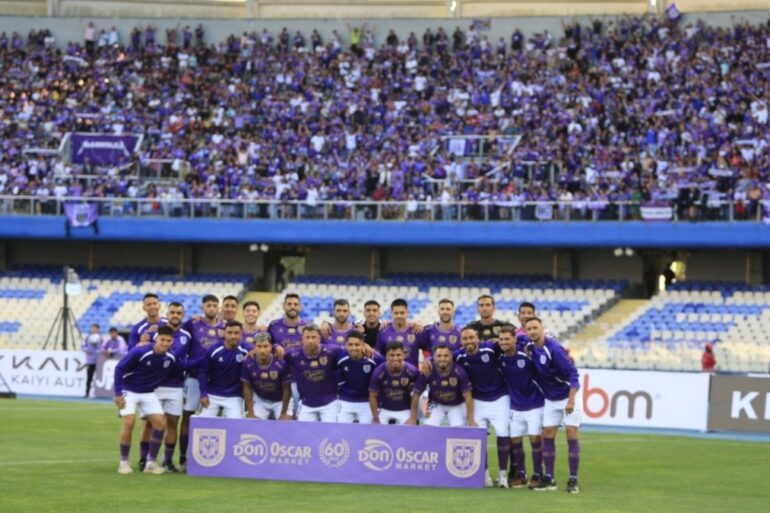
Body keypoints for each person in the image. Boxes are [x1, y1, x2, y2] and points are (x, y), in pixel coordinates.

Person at [525, 317, 581, 494]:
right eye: (529, 329)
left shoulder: (554, 349)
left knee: (571, 434)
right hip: (550, 400)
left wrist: (571, 401)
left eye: (535, 328)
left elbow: (573, 374)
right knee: (547, 435)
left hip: (566, 397)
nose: (532, 331)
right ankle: (549, 478)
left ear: (542, 328)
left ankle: (573, 480)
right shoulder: (531, 347)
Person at [113, 325, 176, 475]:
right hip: (129, 389)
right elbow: (119, 368)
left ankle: (151, 463)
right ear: (156, 338)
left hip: (148, 393)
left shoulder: (170, 358)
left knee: (160, 424)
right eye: (162, 340)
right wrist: (118, 393)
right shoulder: (140, 350)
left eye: (168, 341)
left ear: (172, 342)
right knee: (129, 422)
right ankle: (124, 463)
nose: (165, 343)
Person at [455, 327, 511, 487]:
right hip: (477, 401)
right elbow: (440, 358)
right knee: (478, 438)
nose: (468, 341)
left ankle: (503, 475)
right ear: (461, 341)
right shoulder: (458, 355)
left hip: (499, 398)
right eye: (465, 338)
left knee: (503, 434)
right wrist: (428, 363)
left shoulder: (491, 348)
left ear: (478, 338)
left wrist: (500, 341)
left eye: (471, 337)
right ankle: (484, 475)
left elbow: (510, 344)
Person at [179, 294, 223, 470]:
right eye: (208, 305)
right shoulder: (192, 324)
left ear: (218, 308)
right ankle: (183, 458)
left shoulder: (225, 327)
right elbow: (177, 335)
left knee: (215, 418)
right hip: (193, 378)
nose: (211, 308)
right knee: (188, 416)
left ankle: (211, 459)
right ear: (202, 307)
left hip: (215, 380)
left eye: (214, 305)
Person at [498, 325, 544, 489]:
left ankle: (538, 475)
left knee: (535, 440)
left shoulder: (526, 357)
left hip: (534, 404)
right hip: (515, 407)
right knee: (515, 441)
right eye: (501, 339)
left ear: (514, 339)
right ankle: (521, 475)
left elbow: (541, 374)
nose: (504, 342)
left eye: (507, 339)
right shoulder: (501, 359)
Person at [127, 293, 166, 472]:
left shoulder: (167, 324)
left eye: (154, 303)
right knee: (147, 422)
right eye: (148, 304)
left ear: (159, 305)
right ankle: (144, 459)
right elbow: (130, 352)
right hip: (147, 381)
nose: (152, 306)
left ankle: (158, 459)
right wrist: (139, 344)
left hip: (165, 377)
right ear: (144, 308)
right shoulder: (138, 328)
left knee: (164, 422)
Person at [154, 302, 191, 472]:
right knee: (151, 424)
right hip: (155, 384)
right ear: (167, 314)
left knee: (172, 424)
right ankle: (147, 459)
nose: (175, 315)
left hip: (176, 385)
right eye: (172, 312)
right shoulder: (156, 332)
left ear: (183, 315)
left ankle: (167, 460)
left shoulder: (187, 335)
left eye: (178, 313)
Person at [283, 324, 344, 422]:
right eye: (307, 337)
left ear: (319, 339)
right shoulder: (292, 355)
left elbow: (350, 353)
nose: (310, 340)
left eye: (313, 337)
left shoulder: (333, 351)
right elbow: (274, 355)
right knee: (303, 432)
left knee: (331, 431)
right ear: (302, 339)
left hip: (330, 403)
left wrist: (366, 346)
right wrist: (275, 346)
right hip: (306, 404)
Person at [410, 343, 475, 427]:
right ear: (434, 357)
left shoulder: (460, 372)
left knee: (458, 429)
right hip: (436, 404)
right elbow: (416, 394)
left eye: (446, 356)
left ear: (451, 356)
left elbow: (468, 396)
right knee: (428, 428)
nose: (442, 359)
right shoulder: (428, 369)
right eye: (439, 356)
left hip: (457, 404)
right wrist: (413, 418)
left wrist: (471, 419)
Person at [199, 320, 252, 419]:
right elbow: (203, 372)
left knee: (236, 424)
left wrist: (275, 346)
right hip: (213, 394)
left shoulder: (246, 349)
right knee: (203, 423)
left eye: (236, 333)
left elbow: (261, 348)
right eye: (229, 333)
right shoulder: (213, 350)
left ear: (242, 334)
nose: (233, 336)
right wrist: (203, 394)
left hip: (234, 396)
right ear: (224, 334)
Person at [242, 333, 292, 420]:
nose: (262, 350)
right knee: (251, 422)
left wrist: (283, 413)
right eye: (259, 346)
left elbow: (287, 389)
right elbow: (247, 387)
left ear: (271, 347)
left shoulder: (281, 363)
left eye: (266, 346)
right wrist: (251, 412)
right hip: (261, 400)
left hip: (280, 401)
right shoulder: (247, 363)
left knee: (286, 423)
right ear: (254, 347)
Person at [337, 332, 383, 423]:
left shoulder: (375, 359)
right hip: (345, 401)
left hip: (366, 403)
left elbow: (386, 365)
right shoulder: (340, 356)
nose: (353, 348)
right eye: (350, 345)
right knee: (342, 430)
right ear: (346, 345)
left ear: (363, 345)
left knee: (366, 430)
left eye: (357, 345)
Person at [369, 341, 419, 425]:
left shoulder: (413, 371)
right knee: (376, 430)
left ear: (403, 355)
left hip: (405, 409)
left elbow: (418, 394)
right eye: (392, 355)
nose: (395, 358)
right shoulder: (378, 372)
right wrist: (376, 418)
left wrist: (413, 418)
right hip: (384, 409)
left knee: (410, 431)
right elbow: (372, 396)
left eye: (398, 355)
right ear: (386, 356)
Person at [376, 299, 421, 367]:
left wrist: (427, 360)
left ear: (407, 312)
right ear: (391, 313)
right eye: (396, 313)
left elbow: (429, 349)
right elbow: (377, 355)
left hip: (412, 372)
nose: (399, 316)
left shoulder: (416, 330)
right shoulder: (383, 331)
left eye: (402, 313)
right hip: (390, 372)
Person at [81, 323, 102, 398]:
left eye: (95, 328)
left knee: (99, 377)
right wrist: (87, 350)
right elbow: (83, 346)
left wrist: (99, 351)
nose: (93, 330)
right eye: (92, 328)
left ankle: (98, 393)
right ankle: (87, 393)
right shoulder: (87, 337)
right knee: (89, 376)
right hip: (90, 360)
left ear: (98, 329)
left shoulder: (101, 338)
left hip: (99, 360)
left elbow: (103, 347)